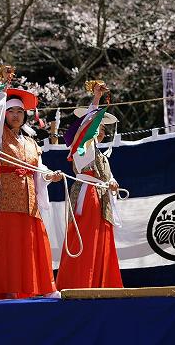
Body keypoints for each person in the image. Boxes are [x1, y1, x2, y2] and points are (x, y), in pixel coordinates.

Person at [0, 73, 61, 299]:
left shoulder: (30, 141)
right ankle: (10, 289)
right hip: (7, 194)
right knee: (10, 243)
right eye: (11, 111)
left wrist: (50, 176)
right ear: (4, 115)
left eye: (19, 111)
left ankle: (44, 288)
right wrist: (2, 88)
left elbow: (39, 168)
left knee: (33, 240)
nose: (16, 115)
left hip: (29, 196)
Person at [57, 82, 123, 289]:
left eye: (102, 128)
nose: (99, 130)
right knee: (86, 237)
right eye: (97, 126)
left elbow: (108, 177)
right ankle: (80, 283)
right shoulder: (81, 148)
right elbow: (88, 128)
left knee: (101, 238)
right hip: (87, 194)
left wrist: (112, 184)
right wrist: (96, 100)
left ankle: (102, 284)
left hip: (101, 197)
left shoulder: (101, 156)